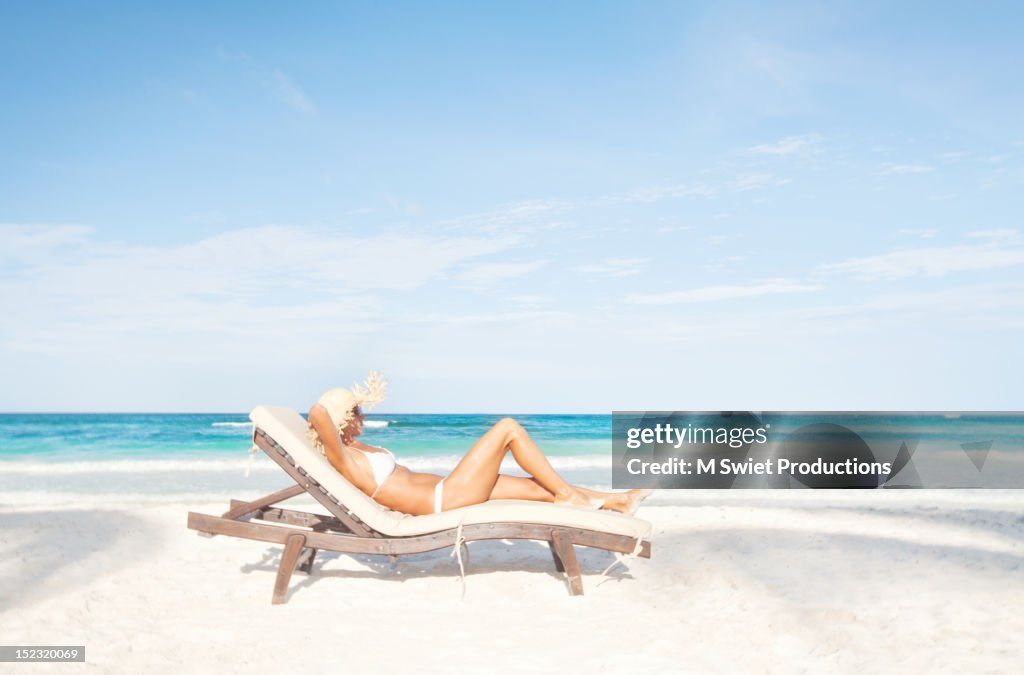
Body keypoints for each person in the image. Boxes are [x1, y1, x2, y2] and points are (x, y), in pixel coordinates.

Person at [307, 372, 653, 517]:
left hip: (446, 489)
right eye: (357, 412)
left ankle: (616, 501)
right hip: (443, 500)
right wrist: (335, 408)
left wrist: (345, 412)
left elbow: (328, 418)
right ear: (342, 418)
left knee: (539, 489)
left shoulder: (357, 450)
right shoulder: (343, 458)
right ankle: (570, 496)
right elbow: (319, 413)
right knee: (508, 428)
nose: (364, 417)